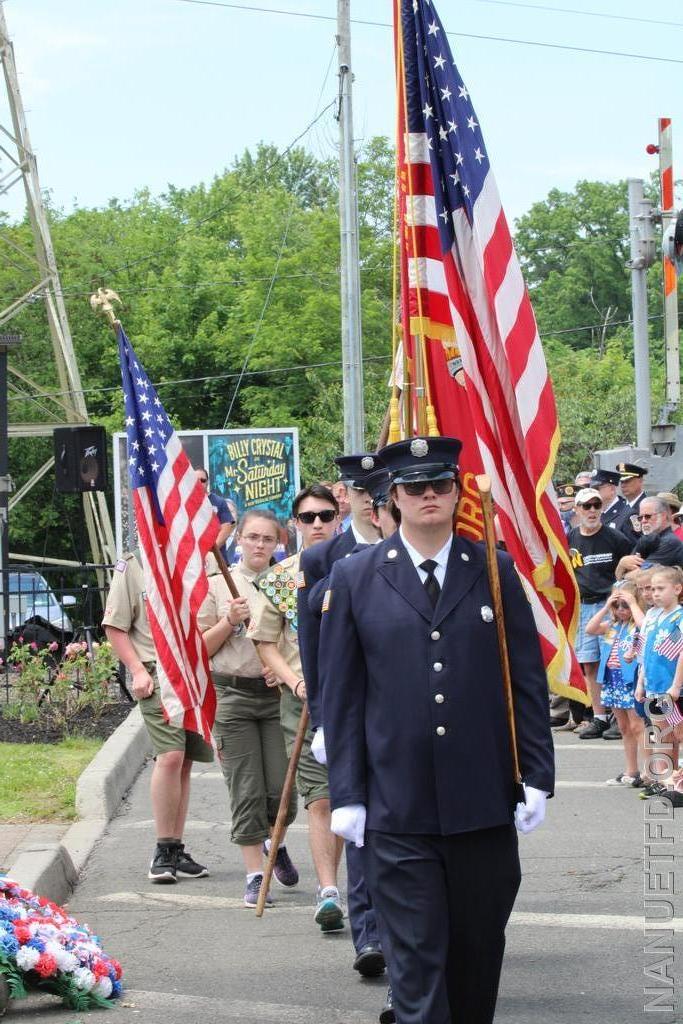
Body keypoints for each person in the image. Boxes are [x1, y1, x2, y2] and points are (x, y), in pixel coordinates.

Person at [320, 436, 554, 1024]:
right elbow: (342, 696)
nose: (429, 495)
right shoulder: (356, 576)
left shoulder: (493, 569)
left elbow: (523, 681)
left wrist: (536, 775)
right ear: (392, 497)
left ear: (456, 492)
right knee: (418, 963)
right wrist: (346, 794)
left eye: (440, 484)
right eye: (415, 487)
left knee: (476, 958)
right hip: (398, 810)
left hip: (482, 803)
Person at [298, 456, 386, 986]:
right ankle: (370, 932)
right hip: (352, 714)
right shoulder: (323, 559)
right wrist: (325, 722)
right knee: (360, 828)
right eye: (361, 489)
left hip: (408, 715)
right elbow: (315, 652)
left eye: (380, 490)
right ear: (346, 495)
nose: (371, 499)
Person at [246, 484, 346, 933]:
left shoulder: (362, 565)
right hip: (303, 702)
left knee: (355, 796)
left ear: (338, 516)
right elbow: (265, 643)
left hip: (356, 698)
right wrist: (295, 680)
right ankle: (329, 891)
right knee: (321, 796)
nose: (319, 524)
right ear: (296, 525)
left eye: (325, 515)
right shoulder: (284, 576)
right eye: (308, 518)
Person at [197, 510, 299, 907]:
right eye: (252, 537)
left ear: (279, 543)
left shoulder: (287, 582)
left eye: (268, 539)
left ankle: (277, 841)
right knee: (247, 790)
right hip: (233, 695)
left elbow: (298, 639)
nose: (259, 545)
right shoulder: (219, 585)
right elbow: (201, 648)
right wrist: (228, 620)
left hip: (276, 697)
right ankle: (255, 874)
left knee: (283, 789)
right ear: (238, 539)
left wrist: (285, 671)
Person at [103, 553, 212, 883]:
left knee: (186, 761)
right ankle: (163, 850)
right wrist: (136, 670)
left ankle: (175, 848)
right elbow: (115, 626)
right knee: (171, 756)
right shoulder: (133, 566)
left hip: (193, 673)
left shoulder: (192, 558)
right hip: (157, 672)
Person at [567, 488, 633, 738]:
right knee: (590, 663)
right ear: (577, 510)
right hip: (584, 607)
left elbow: (631, 571)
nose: (592, 510)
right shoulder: (571, 538)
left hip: (611, 608)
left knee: (613, 661)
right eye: (587, 506)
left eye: (596, 505)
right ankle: (599, 717)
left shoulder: (616, 538)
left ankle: (620, 715)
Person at [584, 583, 645, 784]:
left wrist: (633, 603)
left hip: (631, 681)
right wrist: (605, 607)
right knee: (624, 727)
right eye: (617, 606)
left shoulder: (638, 624)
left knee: (637, 726)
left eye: (624, 606)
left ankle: (648, 772)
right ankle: (631, 770)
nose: (620, 610)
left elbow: (643, 625)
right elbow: (590, 628)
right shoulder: (612, 626)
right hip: (612, 680)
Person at [635, 566, 683, 803]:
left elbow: (681, 652)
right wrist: (640, 682)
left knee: (677, 733)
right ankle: (664, 781)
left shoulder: (679, 617)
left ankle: (676, 781)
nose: (654, 593)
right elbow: (645, 652)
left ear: (677, 589)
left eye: (660, 588)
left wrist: (676, 685)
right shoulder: (652, 617)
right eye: (652, 589)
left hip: (671, 688)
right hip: (654, 686)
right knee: (661, 735)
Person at [616, 496, 683, 578]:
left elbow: (641, 577)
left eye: (648, 516)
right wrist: (621, 564)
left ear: (664, 516)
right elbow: (620, 575)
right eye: (640, 518)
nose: (643, 521)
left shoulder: (670, 542)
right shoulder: (646, 539)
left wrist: (622, 570)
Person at [195, 467, 235, 562]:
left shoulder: (219, 502)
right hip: (193, 560)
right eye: (196, 480)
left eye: (202, 480)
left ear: (208, 482)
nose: (199, 483)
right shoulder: (184, 503)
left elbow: (227, 527)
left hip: (217, 560)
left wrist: (209, 553)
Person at [613, 463, 648, 544]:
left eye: (627, 481)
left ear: (640, 481)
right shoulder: (621, 507)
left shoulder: (647, 507)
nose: (623, 485)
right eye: (621, 481)